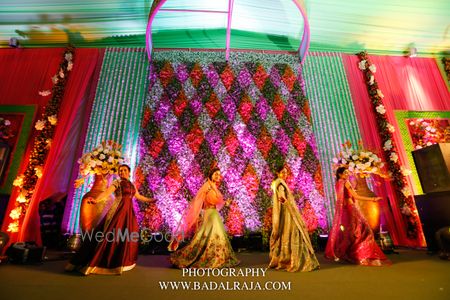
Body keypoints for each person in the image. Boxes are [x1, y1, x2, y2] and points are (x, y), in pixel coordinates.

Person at [65, 164, 153, 275]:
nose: (122, 172)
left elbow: (139, 197)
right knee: (112, 234)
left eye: (124, 170)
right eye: (120, 171)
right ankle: (101, 262)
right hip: (118, 211)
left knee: (127, 235)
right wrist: (96, 200)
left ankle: (122, 262)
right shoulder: (117, 183)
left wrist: (151, 200)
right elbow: (106, 193)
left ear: (129, 172)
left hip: (128, 213)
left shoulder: (132, 185)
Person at [168, 167, 239, 268]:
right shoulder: (207, 187)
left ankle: (218, 258)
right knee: (208, 236)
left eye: (219, 174)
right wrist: (224, 202)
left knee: (212, 236)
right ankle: (210, 258)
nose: (218, 176)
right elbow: (210, 200)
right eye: (216, 174)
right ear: (210, 175)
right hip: (210, 214)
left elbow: (216, 201)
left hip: (213, 214)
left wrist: (224, 203)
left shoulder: (213, 186)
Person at [325, 167, 390, 266]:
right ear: (340, 174)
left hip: (345, 210)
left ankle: (351, 253)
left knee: (351, 232)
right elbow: (356, 196)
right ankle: (362, 254)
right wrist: (373, 199)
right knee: (364, 230)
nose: (347, 174)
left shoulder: (338, 184)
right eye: (345, 173)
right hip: (351, 209)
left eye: (347, 172)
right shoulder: (346, 183)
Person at [269, 165, 320, 272]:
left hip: (287, 212)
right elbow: (281, 197)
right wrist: (289, 204)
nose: (285, 174)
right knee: (296, 232)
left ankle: (287, 257)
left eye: (286, 172)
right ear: (278, 173)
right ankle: (295, 259)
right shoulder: (280, 184)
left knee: (289, 233)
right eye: (282, 172)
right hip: (288, 213)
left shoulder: (278, 183)